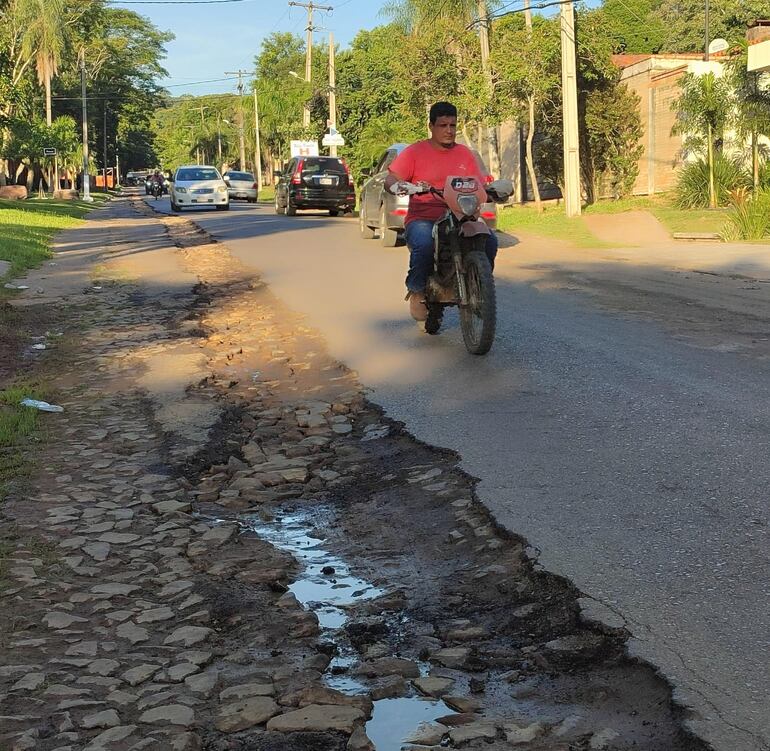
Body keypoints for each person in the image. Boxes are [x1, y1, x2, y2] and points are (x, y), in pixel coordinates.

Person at [384, 101, 497, 321]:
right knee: (425, 242)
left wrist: (493, 189)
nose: (449, 130)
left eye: (452, 125)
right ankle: (417, 291)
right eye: (443, 125)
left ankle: (479, 284)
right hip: (424, 216)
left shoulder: (465, 154)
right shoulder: (414, 152)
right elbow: (393, 177)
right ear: (431, 126)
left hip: (461, 214)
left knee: (490, 240)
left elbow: (480, 181)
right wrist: (397, 185)